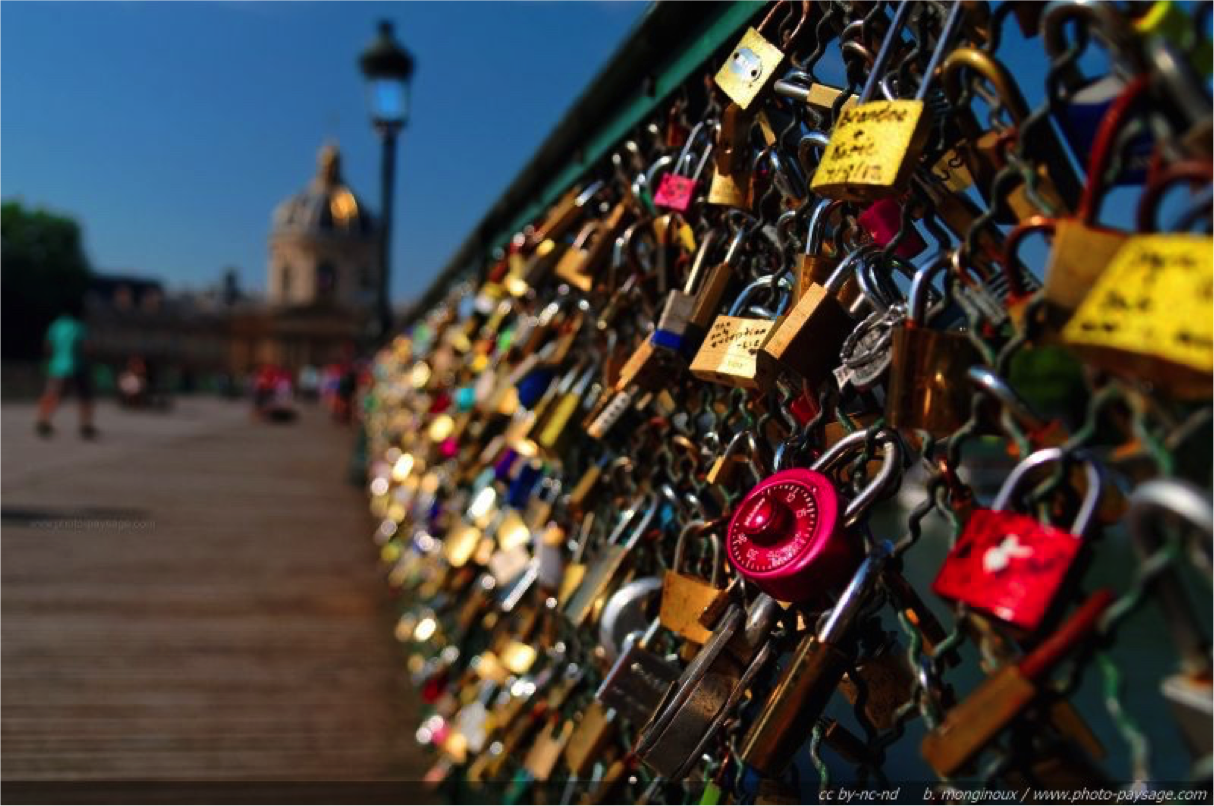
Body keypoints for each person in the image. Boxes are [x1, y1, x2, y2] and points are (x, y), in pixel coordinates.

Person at [35, 301, 97, 439]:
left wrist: (53, 359)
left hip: (57, 366)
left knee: (52, 394)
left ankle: (43, 421)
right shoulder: (79, 326)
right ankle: (86, 426)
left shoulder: (55, 325)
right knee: (85, 397)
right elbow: (86, 347)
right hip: (77, 366)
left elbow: (47, 346)